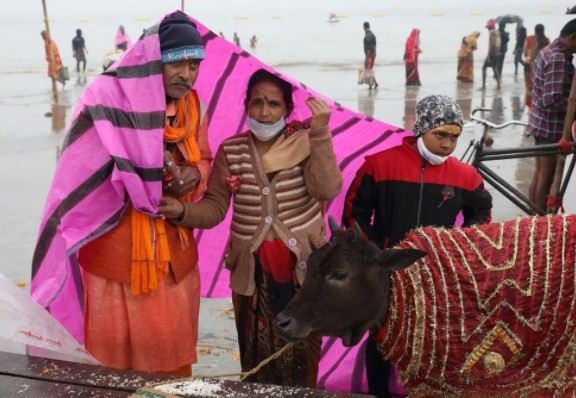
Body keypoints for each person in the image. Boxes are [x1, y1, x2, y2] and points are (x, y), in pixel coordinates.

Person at [31, 11, 212, 376]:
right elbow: (78, 171)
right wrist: (137, 171)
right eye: (177, 63)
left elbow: (206, 158)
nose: (187, 75)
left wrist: (192, 174)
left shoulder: (192, 108)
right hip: (113, 259)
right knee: (112, 369)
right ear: (153, 60)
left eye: (194, 65)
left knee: (170, 366)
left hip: (173, 258)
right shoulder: (107, 101)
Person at [160, 68, 343, 387]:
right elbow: (215, 207)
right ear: (246, 105)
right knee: (256, 360)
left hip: (302, 273)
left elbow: (327, 189)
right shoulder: (232, 150)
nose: (264, 111)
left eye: (274, 103)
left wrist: (321, 133)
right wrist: (182, 211)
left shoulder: (306, 142)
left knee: (303, 358)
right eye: (257, 102)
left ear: (287, 109)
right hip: (252, 275)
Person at [342, 94, 492, 398]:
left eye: (455, 137)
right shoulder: (379, 165)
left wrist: (459, 245)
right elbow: (354, 212)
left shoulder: (465, 176)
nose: (448, 144)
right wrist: (375, 252)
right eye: (440, 135)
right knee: (382, 338)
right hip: (385, 270)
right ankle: (379, 392)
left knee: (434, 337)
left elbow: (482, 211)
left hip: (437, 272)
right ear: (421, 129)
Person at [527, 18, 576, 212]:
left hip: (540, 123)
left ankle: (532, 215)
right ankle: (539, 220)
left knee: (539, 172)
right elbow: (551, 99)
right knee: (546, 175)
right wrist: (572, 106)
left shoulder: (546, 51)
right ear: (573, 37)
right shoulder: (557, 59)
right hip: (551, 126)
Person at [524, 24, 550, 108]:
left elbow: (525, 54)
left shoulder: (529, 39)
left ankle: (532, 113)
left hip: (532, 70)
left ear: (534, 30)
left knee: (531, 92)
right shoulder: (547, 40)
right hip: (545, 71)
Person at [481, 19, 501, 89]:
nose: (487, 29)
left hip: (492, 53)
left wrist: (489, 56)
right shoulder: (497, 32)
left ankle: (483, 86)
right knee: (495, 68)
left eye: (488, 27)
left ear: (490, 27)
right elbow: (498, 44)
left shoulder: (492, 32)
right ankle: (498, 85)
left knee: (484, 68)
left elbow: (491, 45)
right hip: (497, 52)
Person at [363, 21, 379, 89]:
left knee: (368, 68)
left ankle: (371, 84)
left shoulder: (368, 35)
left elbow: (369, 46)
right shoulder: (371, 34)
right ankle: (374, 83)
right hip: (372, 53)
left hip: (370, 54)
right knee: (369, 69)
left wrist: (367, 56)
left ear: (364, 27)